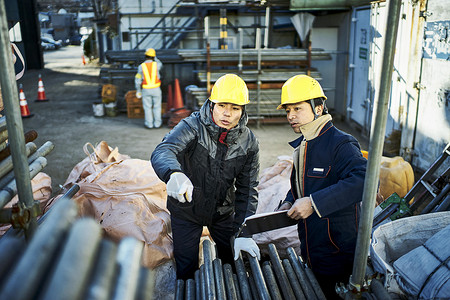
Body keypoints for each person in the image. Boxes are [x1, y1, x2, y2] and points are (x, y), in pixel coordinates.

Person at [151, 74, 261, 280]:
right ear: (212, 104)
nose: (227, 113)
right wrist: (173, 173)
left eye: (235, 108)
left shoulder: (249, 143)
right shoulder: (192, 126)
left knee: (233, 263)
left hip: (223, 212)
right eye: (222, 105)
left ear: (243, 111)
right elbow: (164, 150)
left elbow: (248, 190)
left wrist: (244, 232)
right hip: (186, 210)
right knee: (186, 268)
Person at [276, 75, 367, 299]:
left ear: (318, 108)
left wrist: (314, 203)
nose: (291, 116)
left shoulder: (340, 143)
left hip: (338, 252)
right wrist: (290, 199)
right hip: (312, 246)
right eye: (288, 110)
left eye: (297, 108)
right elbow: (305, 184)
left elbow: (364, 181)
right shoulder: (305, 143)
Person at [135, 48, 163, 129]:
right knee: (157, 106)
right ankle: (157, 124)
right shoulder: (157, 65)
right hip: (156, 89)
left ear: (145, 56)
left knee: (147, 107)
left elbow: (137, 79)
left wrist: (138, 91)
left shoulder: (141, 66)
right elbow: (160, 62)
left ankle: (149, 124)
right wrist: (155, 57)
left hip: (146, 90)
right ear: (153, 56)